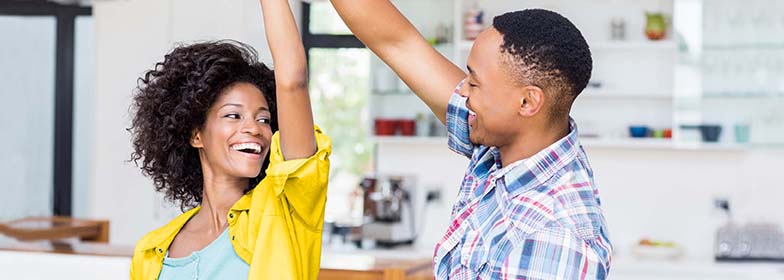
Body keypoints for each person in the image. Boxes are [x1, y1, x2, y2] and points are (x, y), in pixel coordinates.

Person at [330, 1, 612, 279]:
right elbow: (398, 43)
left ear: (527, 101)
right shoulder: (509, 146)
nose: (462, 90)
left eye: (474, 82)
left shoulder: (551, 237)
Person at [128, 0, 330, 279]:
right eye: (234, 116)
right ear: (195, 134)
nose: (254, 129)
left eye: (264, 119)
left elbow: (292, 80)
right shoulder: (151, 251)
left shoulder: (286, 210)